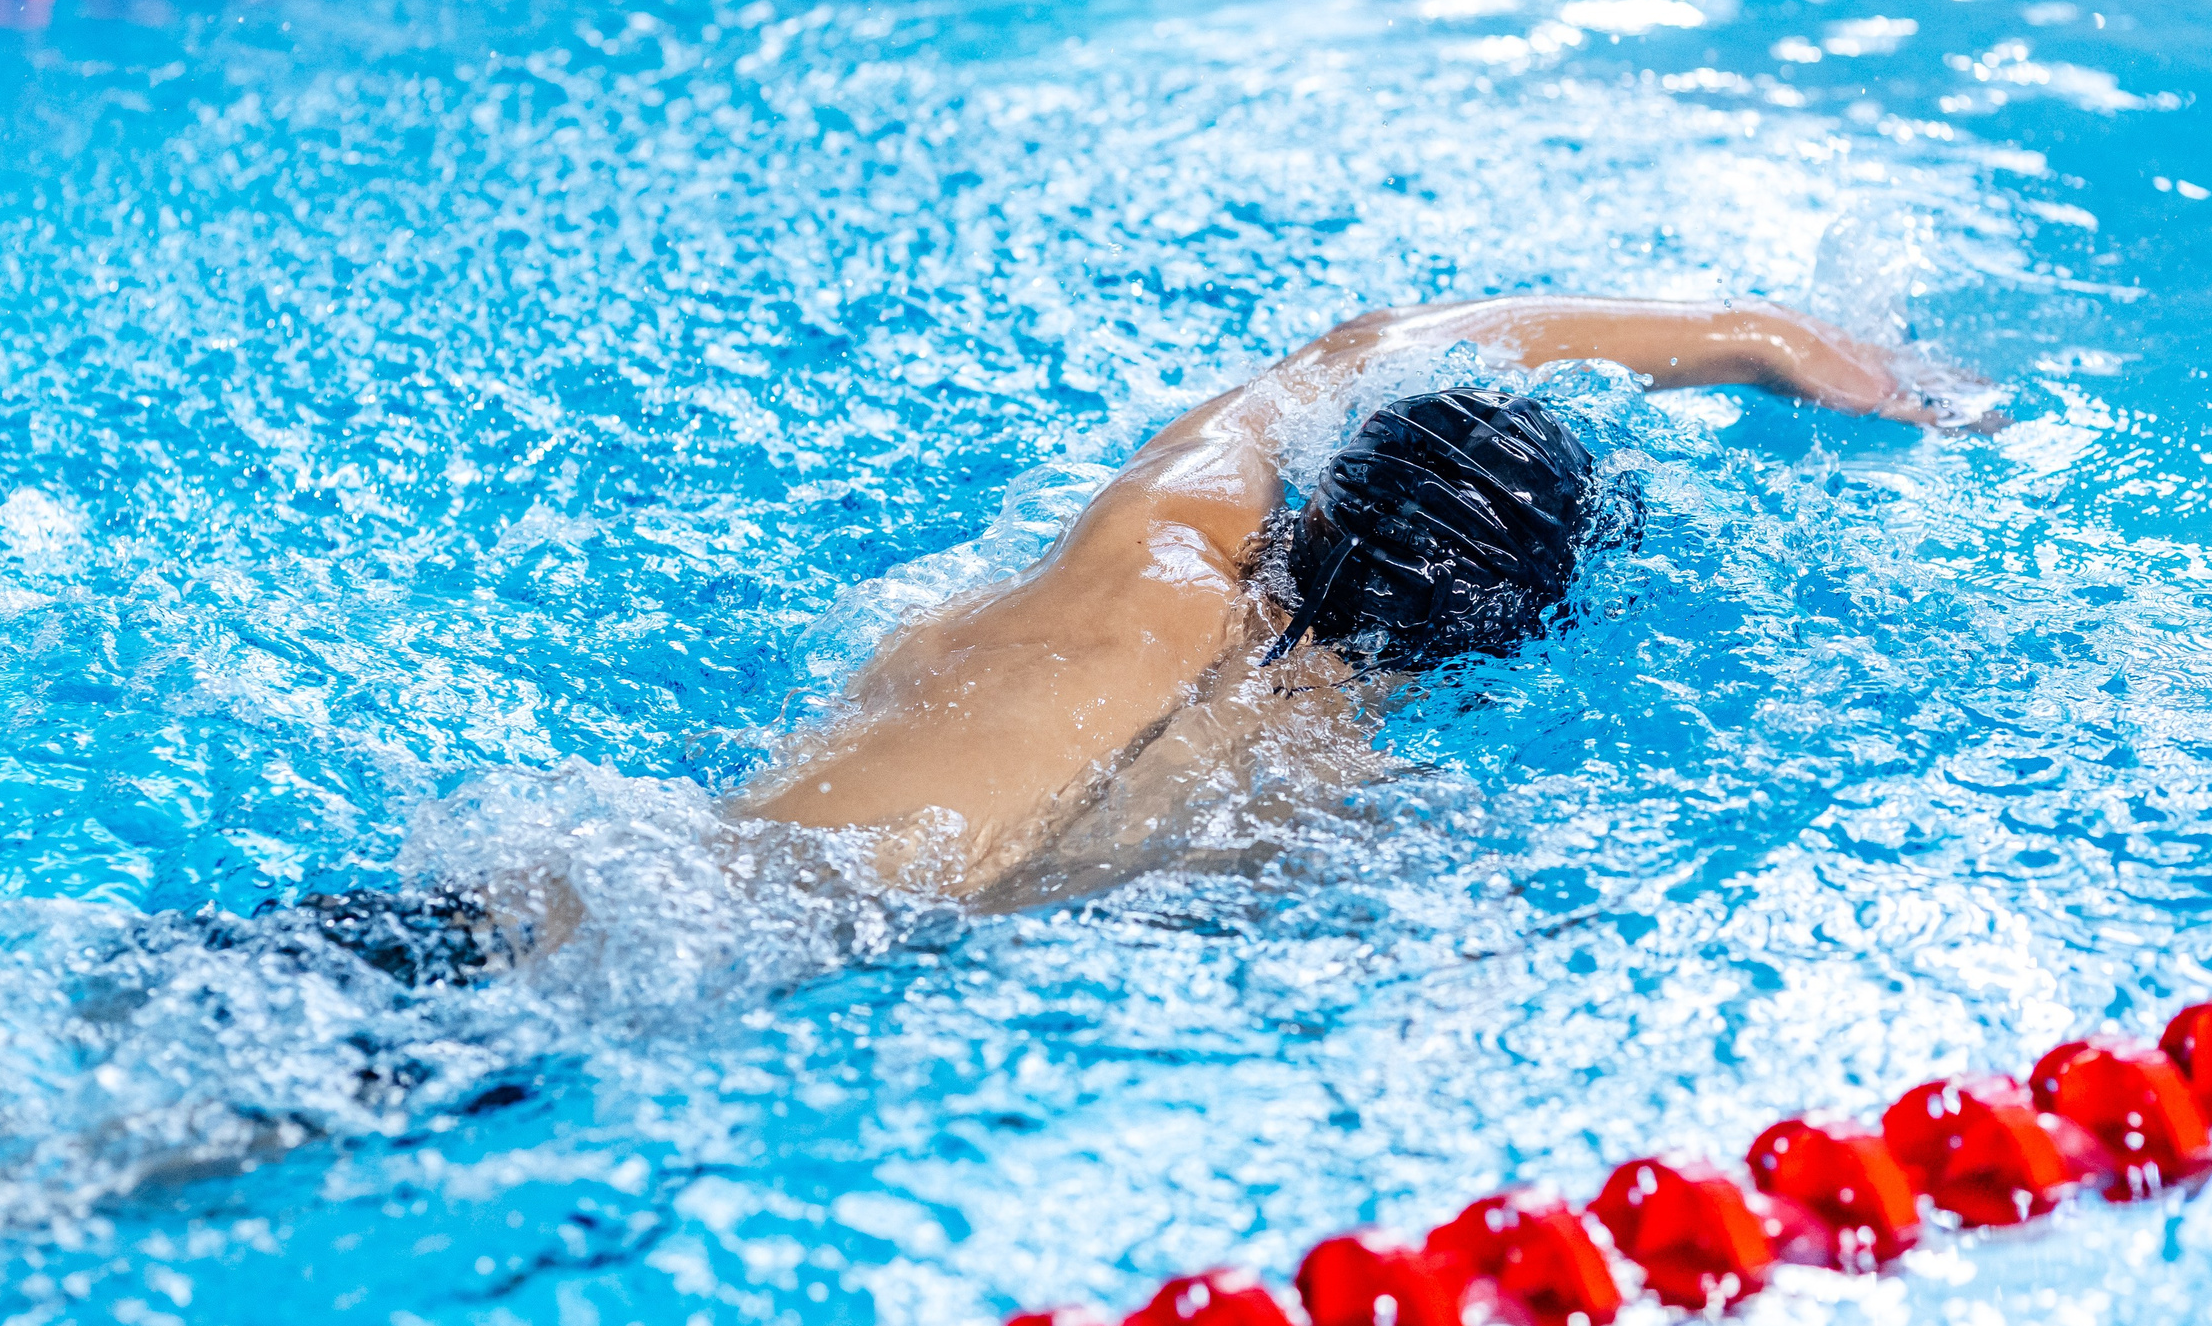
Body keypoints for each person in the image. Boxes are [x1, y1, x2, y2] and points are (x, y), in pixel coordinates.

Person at [730, 295, 1994, 902]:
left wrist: (1748, 333)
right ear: (1500, 640)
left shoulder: (1152, 552)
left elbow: (1339, 356)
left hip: (682, 873)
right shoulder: (1339, 799)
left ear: (1318, 502)